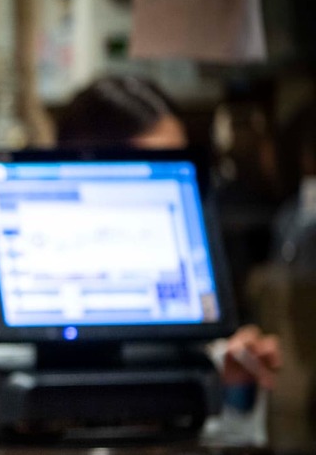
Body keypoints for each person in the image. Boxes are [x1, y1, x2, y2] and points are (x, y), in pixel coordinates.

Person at [56, 74, 282, 396]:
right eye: (153, 165)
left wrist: (221, 360)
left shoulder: (190, 240)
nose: (172, 184)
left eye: (178, 164)